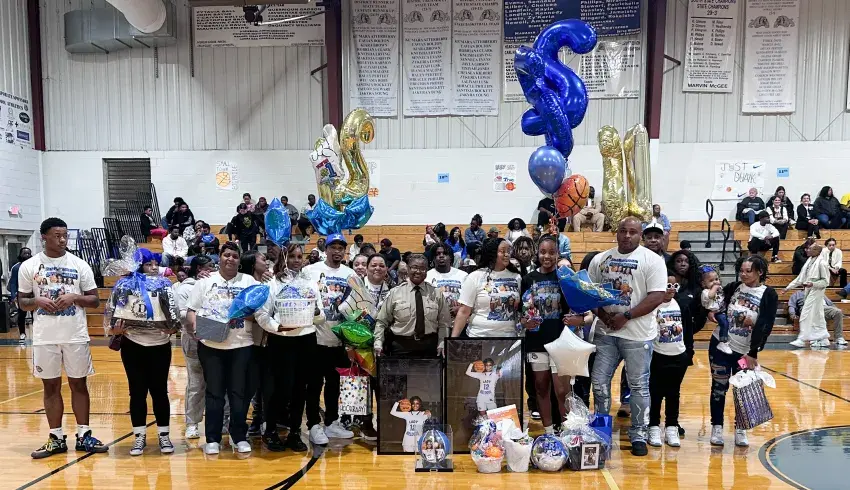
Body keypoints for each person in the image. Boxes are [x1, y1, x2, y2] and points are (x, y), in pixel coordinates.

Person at [18, 218, 107, 459]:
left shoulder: (79, 264)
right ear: (44, 237)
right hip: (45, 337)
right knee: (50, 386)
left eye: (65, 235)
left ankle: (84, 435)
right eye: (57, 235)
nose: (63, 240)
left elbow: (94, 300)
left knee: (79, 384)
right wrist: (37, 301)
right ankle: (56, 437)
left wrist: (74, 298)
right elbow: (22, 302)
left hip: (75, 335)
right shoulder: (29, 266)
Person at [588, 217, 667, 457]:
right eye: (623, 231)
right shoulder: (601, 259)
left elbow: (657, 296)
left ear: (640, 235)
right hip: (606, 333)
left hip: (638, 336)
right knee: (599, 382)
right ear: (617, 233)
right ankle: (601, 431)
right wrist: (603, 314)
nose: (627, 235)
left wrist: (626, 316)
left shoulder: (652, 260)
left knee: (638, 386)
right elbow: (590, 292)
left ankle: (638, 433)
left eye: (633, 232)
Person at [186, 242, 259, 455]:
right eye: (226, 255)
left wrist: (240, 314)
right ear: (219, 257)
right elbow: (192, 311)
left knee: (238, 393)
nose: (230, 259)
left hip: (241, 344)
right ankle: (212, 438)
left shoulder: (248, 282)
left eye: (235, 256)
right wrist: (196, 329)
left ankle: (239, 436)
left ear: (239, 260)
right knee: (214, 392)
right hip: (211, 344)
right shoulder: (205, 282)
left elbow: (257, 313)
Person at [104, 249, 179, 456]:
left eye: (156, 264)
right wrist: (114, 328)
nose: (154, 268)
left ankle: (164, 435)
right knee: (137, 392)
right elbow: (113, 314)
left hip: (160, 344)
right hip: (133, 344)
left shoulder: (165, 285)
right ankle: (139, 436)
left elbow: (174, 314)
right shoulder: (125, 285)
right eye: (148, 264)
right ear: (139, 266)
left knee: (160, 391)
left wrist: (173, 327)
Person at [255, 243, 321, 451]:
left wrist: (315, 313)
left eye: (300, 257)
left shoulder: (310, 282)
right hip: (281, 340)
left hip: (306, 339)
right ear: (284, 258)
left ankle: (294, 432)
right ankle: (270, 431)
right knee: (278, 389)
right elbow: (262, 314)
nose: (296, 260)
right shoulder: (272, 283)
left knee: (300, 389)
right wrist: (278, 327)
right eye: (292, 256)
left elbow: (320, 314)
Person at [708, 255, 777, 448]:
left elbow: (766, 325)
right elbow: (717, 305)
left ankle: (741, 428)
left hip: (745, 353)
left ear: (760, 272)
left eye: (748, 271)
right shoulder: (734, 287)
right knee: (718, 388)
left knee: (744, 389)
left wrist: (753, 352)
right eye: (741, 271)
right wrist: (712, 312)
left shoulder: (768, 294)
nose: (743, 274)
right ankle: (717, 427)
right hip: (721, 346)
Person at [304, 233, 356, 440]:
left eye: (340, 248)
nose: (337, 251)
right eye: (333, 247)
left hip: (339, 340)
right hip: (315, 338)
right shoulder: (310, 271)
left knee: (335, 384)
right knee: (314, 384)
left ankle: (332, 422)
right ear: (325, 250)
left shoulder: (350, 274)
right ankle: (313, 424)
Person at [520, 236, 574, 434]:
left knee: (562, 390)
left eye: (551, 252)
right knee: (541, 387)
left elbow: (575, 309)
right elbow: (522, 314)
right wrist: (525, 322)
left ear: (558, 254)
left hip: (560, 341)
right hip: (536, 342)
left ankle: (567, 432)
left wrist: (576, 319)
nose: (547, 256)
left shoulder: (564, 278)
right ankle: (549, 432)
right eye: (543, 252)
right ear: (537, 253)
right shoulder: (528, 279)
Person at [175, 256, 224, 441]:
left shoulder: (218, 284)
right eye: (210, 266)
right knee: (197, 383)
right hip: (194, 340)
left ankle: (223, 421)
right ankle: (192, 423)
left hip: (217, 338)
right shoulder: (185, 288)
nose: (214, 269)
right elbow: (183, 316)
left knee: (221, 382)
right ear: (199, 269)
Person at [375, 254, 451, 358]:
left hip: (429, 347)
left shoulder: (436, 293)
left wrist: (442, 343)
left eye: (422, 268)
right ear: (408, 268)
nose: (418, 271)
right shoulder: (395, 292)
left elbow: (444, 323)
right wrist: (378, 343)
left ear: (427, 270)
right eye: (414, 267)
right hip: (401, 346)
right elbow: (382, 321)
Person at [450, 238, 522, 339]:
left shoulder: (517, 277)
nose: (507, 254)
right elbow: (463, 312)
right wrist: (453, 340)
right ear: (492, 253)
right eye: (502, 251)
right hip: (478, 336)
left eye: (508, 251)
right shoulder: (475, 276)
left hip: (509, 338)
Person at [647, 277, 687, 448]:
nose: (671, 288)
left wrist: (687, 353)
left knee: (673, 393)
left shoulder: (680, 304)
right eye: (667, 285)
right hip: (658, 355)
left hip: (678, 355)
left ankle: (671, 426)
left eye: (674, 285)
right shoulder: (653, 306)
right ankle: (653, 426)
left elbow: (688, 328)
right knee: (655, 393)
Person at [240, 251, 273, 439]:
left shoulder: (268, 283)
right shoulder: (245, 284)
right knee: (249, 386)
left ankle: (262, 420)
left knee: (266, 386)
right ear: (252, 263)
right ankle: (242, 424)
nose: (266, 261)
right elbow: (243, 313)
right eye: (262, 259)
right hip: (248, 343)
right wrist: (262, 317)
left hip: (268, 343)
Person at [786, 243, 830, 348]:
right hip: (808, 290)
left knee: (805, 314)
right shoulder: (808, 262)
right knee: (818, 317)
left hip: (817, 292)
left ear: (817, 251)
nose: (807, 250)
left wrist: (813, 284)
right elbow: (800, 278)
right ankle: (824, 339)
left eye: (810, 249)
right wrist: (788, 287)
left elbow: (825, 282)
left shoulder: (822, 263)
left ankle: (802, 339)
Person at [425, 243, 468, 318]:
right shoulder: (427, 276)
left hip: (460, 318)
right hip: (436, 319)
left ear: (450, 257)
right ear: (433, 258)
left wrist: (460, 309)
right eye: (438, 254)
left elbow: (470, 299)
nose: (441, 256)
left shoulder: (463, 275)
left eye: (445, 253)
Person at [700, 265, 732, 354]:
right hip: (716, 312)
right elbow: (710, 296)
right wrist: (715, 287)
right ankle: (722, 342)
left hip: (723, 310)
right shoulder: (705, 292)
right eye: (711, 281)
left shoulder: (719, 289)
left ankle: (725, 338)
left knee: (727, 323)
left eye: (716, 279)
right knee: (724, 323)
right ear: (703, 284)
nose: (715, 282)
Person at [8, 247, 32, 342]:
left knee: (35, 315)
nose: (27, 255)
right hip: (21, 295)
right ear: (20, 255)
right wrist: (13, 296)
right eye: (24, 253)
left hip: (33, 295)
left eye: (28, 253)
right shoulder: (16, 267)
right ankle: (22, 333)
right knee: (22, 315)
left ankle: (37, 334)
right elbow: (13, 283)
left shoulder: (34, 266)